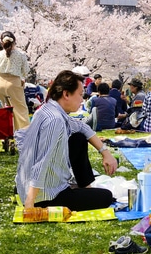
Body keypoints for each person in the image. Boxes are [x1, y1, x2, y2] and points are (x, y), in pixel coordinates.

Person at [15, 70, 117, 211]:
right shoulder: (55, 120)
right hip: (46, 195)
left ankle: (84, 188)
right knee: (106, 197)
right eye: (80, 94)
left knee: (78, 138)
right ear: (66, 94)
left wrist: (105, 152)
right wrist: (30, 203)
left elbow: (81, 126)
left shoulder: (48, 109)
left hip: (28, 186)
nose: (82, 99)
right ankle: (80, 192)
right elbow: (42, 162)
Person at [0, 31, 31, 130]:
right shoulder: (20, 54)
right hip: (14, 82)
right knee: (20, 110)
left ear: (2, 42)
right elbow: (26, 71)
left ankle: (0, 132)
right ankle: (24, 133)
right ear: (14, 42)